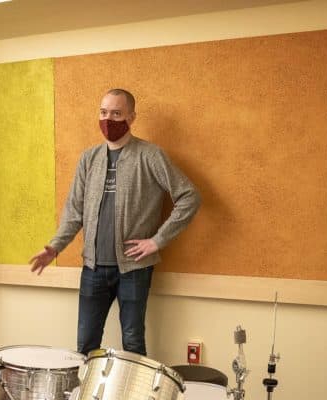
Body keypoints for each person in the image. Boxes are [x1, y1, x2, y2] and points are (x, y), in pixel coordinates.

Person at [29, 88, 200, 357]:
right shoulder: (89, 158)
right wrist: (54, 247)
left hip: (133, 269)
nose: (108, 119)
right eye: (103, 112)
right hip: (93, 268)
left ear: (131, 117)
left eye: (117, 113)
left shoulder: (150, 155)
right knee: (85, 344)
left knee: (132, 343)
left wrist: (157, 240)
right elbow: (74, 210)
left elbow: (189, 196)